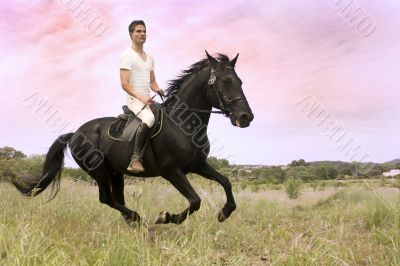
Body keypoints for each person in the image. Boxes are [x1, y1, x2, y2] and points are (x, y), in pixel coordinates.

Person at [119, 20, 164, 173]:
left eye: (144, 31)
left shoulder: (150, 58)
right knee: (149, 119)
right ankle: (135, 159)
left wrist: (157, 89)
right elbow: (124, 84)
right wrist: (141, 98)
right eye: (138, 31)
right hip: (134, 100)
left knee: (165, 116)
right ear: (131, 34)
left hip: (147, 99)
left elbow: (152, 81)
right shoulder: (127, 56)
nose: (142, 34)